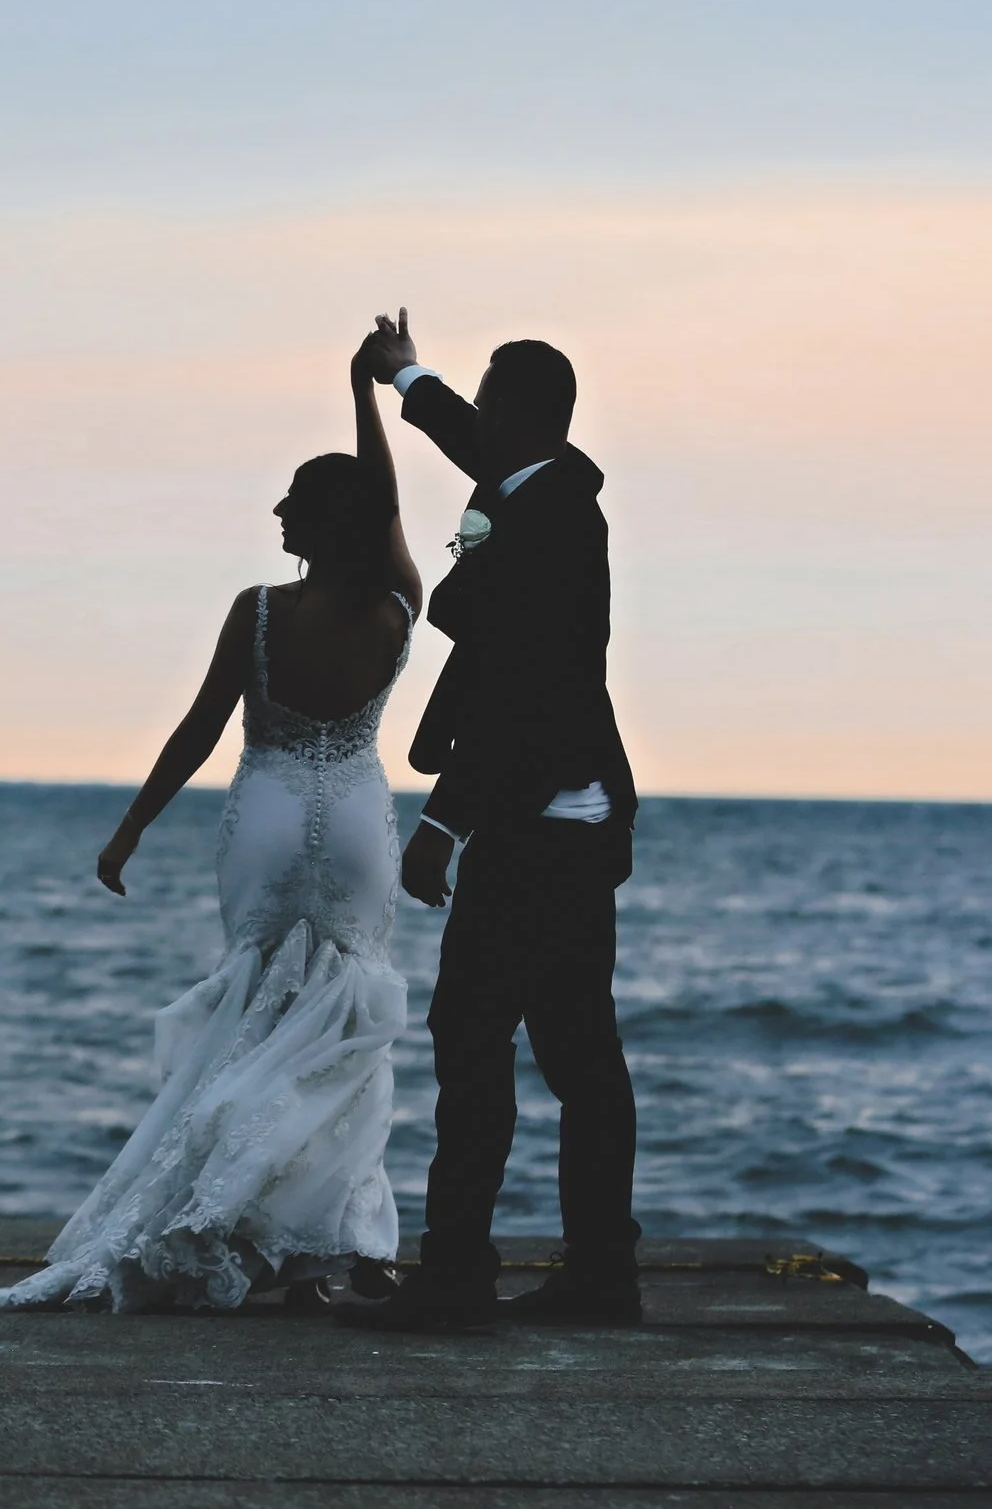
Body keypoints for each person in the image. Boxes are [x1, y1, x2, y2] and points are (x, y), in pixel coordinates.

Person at [0, 336, 425, 1313]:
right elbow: (389, 507)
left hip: (268, 816)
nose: (275, 509)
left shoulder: (261, 611)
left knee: (252, 1015)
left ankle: (238, 1215)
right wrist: (369, 387)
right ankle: (330, 1239)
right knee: (343, 1026)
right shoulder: (396, 604)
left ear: (319, 520)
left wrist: (131, 827)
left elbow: (199, 727)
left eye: (290, 500)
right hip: (355, 818)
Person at [337, 312, 643, 1334]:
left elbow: (521, 688)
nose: (474, 415)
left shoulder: (547, 520)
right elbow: (475, 444)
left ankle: (456, 1274)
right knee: (577, 1052)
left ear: (518, 413)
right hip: (568, 812)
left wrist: (442, 823)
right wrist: (403, 375)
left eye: (484, 397)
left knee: (473, 1038)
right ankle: (601, 1274)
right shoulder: (542, 487)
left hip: (533, 815)